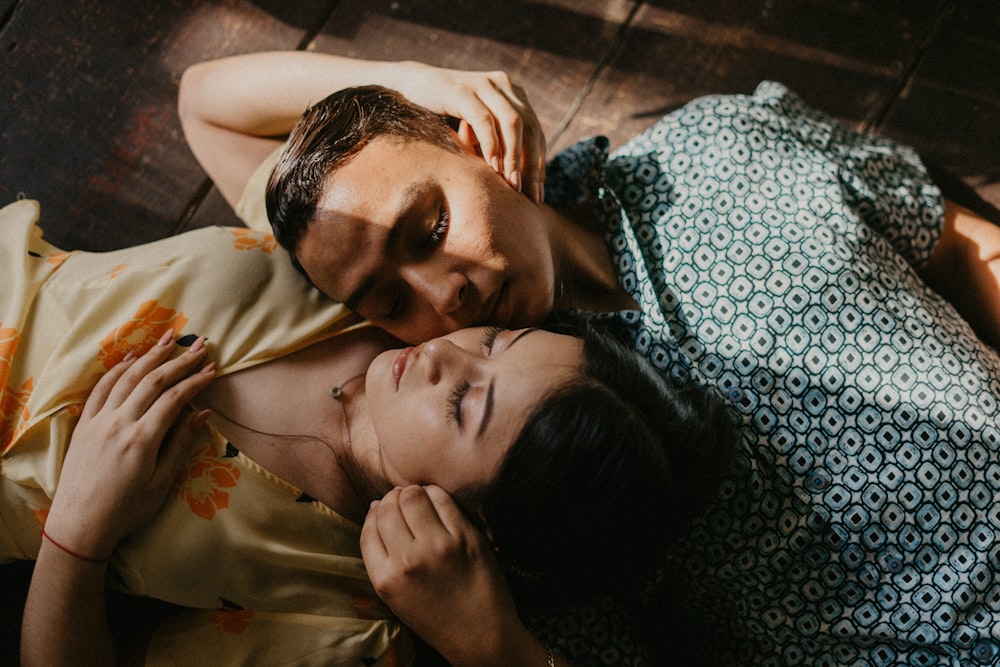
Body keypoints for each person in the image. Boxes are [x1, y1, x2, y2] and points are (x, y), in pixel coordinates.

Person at [180, 50, 1000, 665]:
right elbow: (209, 109)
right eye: (393, 302)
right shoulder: (522, 505)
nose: (444, 296)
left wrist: (422, 81)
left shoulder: (717, 155)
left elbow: (957, 245)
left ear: (474, 140)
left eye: (428, 229)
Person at [0, 199, 731, 665]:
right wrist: (411, 77)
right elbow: (210, 103)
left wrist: (78, 532)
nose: (445, 356)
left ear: (473, 525)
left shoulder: (340, 618)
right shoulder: (389, 295)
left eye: (464, 406)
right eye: (496, 341)